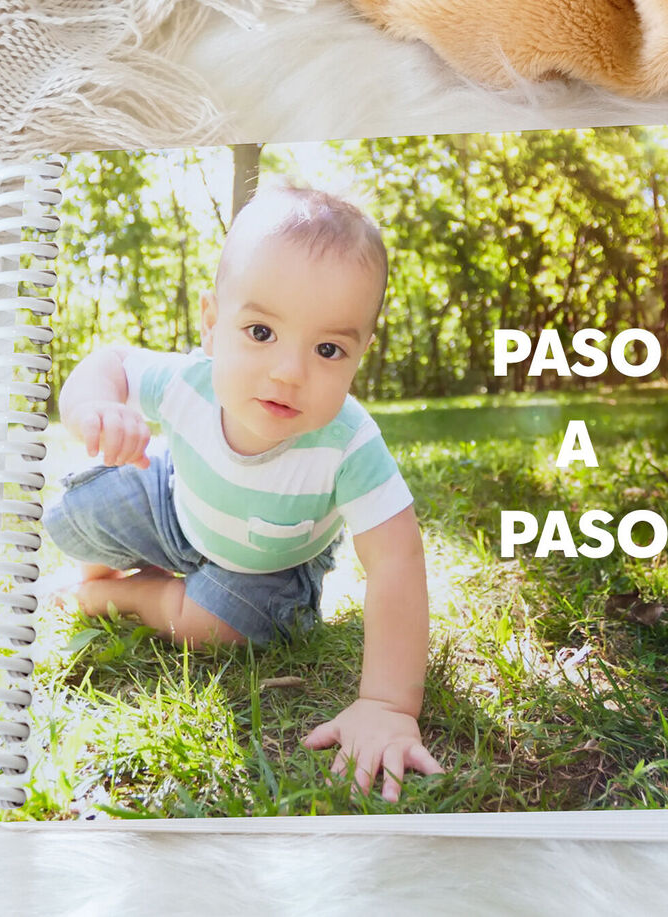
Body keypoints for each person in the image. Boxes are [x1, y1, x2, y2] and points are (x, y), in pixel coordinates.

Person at [44, 184, 441, 802]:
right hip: (173, 502)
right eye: (261, 332)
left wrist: (388, 703)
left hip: (266, 566)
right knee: (69, 516)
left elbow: (397, 561)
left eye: (328, 349)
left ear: (359, 357)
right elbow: (112, 361)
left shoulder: (349, 444)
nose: (289, 371)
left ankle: (116, 597)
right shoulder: (186, 382)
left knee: (216, 628)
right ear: (211, 323)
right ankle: (99, 566)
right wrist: (95, 403)